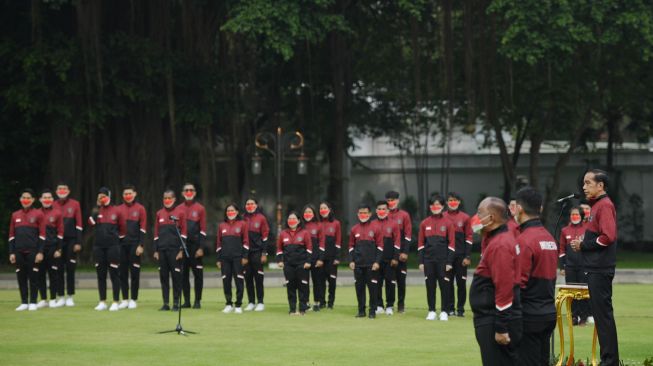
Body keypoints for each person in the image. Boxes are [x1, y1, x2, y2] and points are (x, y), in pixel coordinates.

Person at [570, 169, 619, 365]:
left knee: (603, 318)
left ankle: (610, 361)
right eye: (584, 183)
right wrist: (585, 242)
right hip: (594, 268)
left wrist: (583, 245)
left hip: (600, 269)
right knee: (601, 317)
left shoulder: (604, 205)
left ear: (601, 186)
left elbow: (608, 237)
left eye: (588, 183)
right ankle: (609, 359)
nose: (584, 186)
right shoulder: (597, 205)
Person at [469, 197, 522, 366]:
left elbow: (505, 288)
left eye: (479, 213)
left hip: (494, 319)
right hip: (489, 317)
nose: (476, 217)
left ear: (491, 218)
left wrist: (501, 327)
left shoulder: (500, 244)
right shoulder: (495, 238)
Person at [514, 187, 558, 365]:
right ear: (540, 209)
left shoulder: (524, 240)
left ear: (518, 208)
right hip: (548, 313)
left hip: (529, 315)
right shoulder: (549, 238)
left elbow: (519, 283)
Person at [88, 187, 126, 311]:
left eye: (103, 196)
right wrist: (96, 207)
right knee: (101, 274)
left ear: (109, 196)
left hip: (113, 247)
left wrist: (114, 241)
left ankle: (115, 301)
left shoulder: (117, 211)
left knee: (114, 274)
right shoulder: (97, 210)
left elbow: (123, 230)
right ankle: (102, 301)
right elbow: (91, 223)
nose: (101, 198)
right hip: (98, 247)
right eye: (100, 197)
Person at [418, 195, 455, 321]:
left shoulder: (448, 223)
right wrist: (421, 262)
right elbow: (421, 244)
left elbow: (451, 244)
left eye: (438, 205)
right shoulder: (424, 223)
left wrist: (449, 261)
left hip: (443, 261)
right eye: (433, 205)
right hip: (428, 261)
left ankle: (444, 311)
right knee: (430, 286)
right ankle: (432, 310)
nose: (436, 207)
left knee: (444, 286)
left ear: (443, 206)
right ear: (430, 207)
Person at [8, 189, 45, 311]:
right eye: (23, 197)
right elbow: (11, 235)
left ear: (33, 200)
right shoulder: (15, 215)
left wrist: (40, 252)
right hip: (18, 252)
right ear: (20, 199)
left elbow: (42, 235)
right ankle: (24, 302)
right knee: (21, 277)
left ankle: (33, 302)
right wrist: (11, 252)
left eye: (28, 198)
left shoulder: (38, 214)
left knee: (33, 277)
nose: (26, 200)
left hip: (33, 251)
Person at [153, 189, 186, 311]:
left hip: (175, 251)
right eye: (165, 198)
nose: (167, 200)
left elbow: (184, 233)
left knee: (176, 278)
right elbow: (156, 233)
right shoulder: (159, 214)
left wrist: (181, 250)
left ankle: (176, 303)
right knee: (164, 277)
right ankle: (166, 303)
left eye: (169, 198)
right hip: (162, 251)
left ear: (174, 199)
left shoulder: (180, 213)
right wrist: (156, 250)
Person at [348, 204, 383, 319]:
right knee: (359, 288)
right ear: (358, 214)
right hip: (358, 265)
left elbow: (380, 247)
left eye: (365, 213)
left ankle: (372, 311)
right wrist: (352, 260)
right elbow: (351, 246)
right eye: (361, 213)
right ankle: (361, 310)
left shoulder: (376, 228)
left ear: (369, 214)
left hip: (371, 265)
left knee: (373, 289)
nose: (363, 215)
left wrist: (377, 262)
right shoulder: (354, 229)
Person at [276, 211, 312, 315]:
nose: (292, 221)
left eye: (294, 219)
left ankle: (302, 309)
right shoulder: (283, 233)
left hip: (302, 265)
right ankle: (292, 309)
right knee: (290, 287)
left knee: (302, 287)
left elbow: (309, 248)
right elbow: (279, 249)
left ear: (299, 221)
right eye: (289, 219)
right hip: (288, 265)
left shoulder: (305, 233)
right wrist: (279, 261)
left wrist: (308, 262)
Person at [559, 206, 590, 325]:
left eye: (577, 214)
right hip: (570, 267)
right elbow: (561, 249)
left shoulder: (587, 229)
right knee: (571, 292)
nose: (574, 217)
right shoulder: (564, 230)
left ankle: (583, 317)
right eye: (572, 215)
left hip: (584, 266)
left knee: (583, 292)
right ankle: (573, 316)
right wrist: (562, 267)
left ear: (581, 216)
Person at [117, 184, 146, 310]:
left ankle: (133, 299)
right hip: (121, 245)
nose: (128, 196)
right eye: (125, 194)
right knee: (122, 273)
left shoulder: (140, 209)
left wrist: (141, 245)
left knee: (134, 273)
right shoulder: (118, 209)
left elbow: (143, 228)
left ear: (135, 194)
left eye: (130, 193)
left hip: (135, 245)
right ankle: (124, 299)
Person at [443, 192, 473, 317]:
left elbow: (469, 237)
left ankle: (460, 310)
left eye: (455, 200)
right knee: (448, 283)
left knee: (461, 284)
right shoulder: (442, 217)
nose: (453, 203)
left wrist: (467, 256)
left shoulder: (465, 218)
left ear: (459, 202)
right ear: (446, 202)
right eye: (450, 200)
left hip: (461, 257)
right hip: (446, 257)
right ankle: (450, 309)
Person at [53, 183, 83, 306]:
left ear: (69, 191)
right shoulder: (52, 205)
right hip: (57, 242)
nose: (62, 191)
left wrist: (78, 242)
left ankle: (70, 296)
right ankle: (60, 296)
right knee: (58, 268)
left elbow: (79, 224)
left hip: (71, 241)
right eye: (60, 189)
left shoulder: (75, 204)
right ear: (56, 191)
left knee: (70, 269)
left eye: (64, 189)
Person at [216, 203, 249, 314]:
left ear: (237, 212)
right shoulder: (221, 226)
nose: (230, 213)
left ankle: (238, 305)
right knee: (226, 281)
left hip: (238, 258)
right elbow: (219, 243)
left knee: (239, 281)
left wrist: (245, 256)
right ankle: (229, 304)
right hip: (225, 258)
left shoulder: (243, 224)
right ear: (226, 213)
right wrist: (218, 259)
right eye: (228, 211)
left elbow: (246, 242)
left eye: (232, 210)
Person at [179, 183, 206, 309]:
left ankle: (197, 301)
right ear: (182, 193)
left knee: (198, 275)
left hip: (195, 247)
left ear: (195, 193)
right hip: (182, 247)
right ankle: (187, 301)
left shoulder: (200, 208)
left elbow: (203, 230)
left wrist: (201, 247)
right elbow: (176, 229)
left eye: (191, 190)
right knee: (183, 275)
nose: (189, 192)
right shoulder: (178, 209)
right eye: (186, 190)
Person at [385, 191, 412, 313]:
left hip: (401, 254)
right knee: (388, 280)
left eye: (393, 200)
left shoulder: (404, 215)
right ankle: (388, 305)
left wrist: (405, 252)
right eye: (389, 200)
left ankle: (401, 305)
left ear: (398, 200)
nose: (391, 202)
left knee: (401, 281)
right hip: (388, 255)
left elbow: (407, 235)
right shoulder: (383, 215)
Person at [38, 189, 65, 308]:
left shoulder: (57, 213)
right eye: (45, 197)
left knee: (53, 274)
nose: (47, 200)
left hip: (53, 248)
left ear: (52, 200)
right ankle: (43, 299)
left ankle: (53, 299)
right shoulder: (36, 213)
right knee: (40, 274)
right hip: (39, 249)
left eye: (49, 197)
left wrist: (59, 249)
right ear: (40, 199)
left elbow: (60, 232)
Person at [243, 198, 270, 312]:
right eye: (248, 204)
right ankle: (251, 302)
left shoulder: (261, 218)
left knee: (258, 278)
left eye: (252, 204)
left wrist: (264, 253)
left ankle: (260, 302)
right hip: (245, 253)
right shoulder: (242, 218)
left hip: (257, 252)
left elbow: (265, 237)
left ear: (256, 205)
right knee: (248, 278)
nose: (250, 205)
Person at [374, 200, 400, 316]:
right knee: (377, 283)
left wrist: (395, 257)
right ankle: (379, 305)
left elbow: (397, 242)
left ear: (388, 211)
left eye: (384, 209)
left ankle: (389, 306)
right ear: (376, 211)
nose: (381, 211)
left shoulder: (394, 224)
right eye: (379, 209)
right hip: (376, 260)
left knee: (390, 283)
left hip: (390, 259)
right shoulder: (372, 224)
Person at [318, 201, 342, 309]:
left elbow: (338, 241)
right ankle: (322, 302)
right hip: (320, 258)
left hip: (332, 258)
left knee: (332, 281)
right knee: (321, 281)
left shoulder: (336, 223)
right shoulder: (317, 223)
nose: (323, 210)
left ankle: (331, 303)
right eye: (321, 208)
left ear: (329, 209)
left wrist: (337, 257)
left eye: (325, 208)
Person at [303, 204, 325, 311]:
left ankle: (317, 303)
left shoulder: (319, 225)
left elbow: (321, 243)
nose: (307, 214)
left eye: (310, 212)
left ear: (314, 213)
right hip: (304, 259)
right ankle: (306, 303)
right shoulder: (300, 226)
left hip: (316, 259)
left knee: (317, 282)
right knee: (304, 282)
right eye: (306, 212)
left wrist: (320, 259)